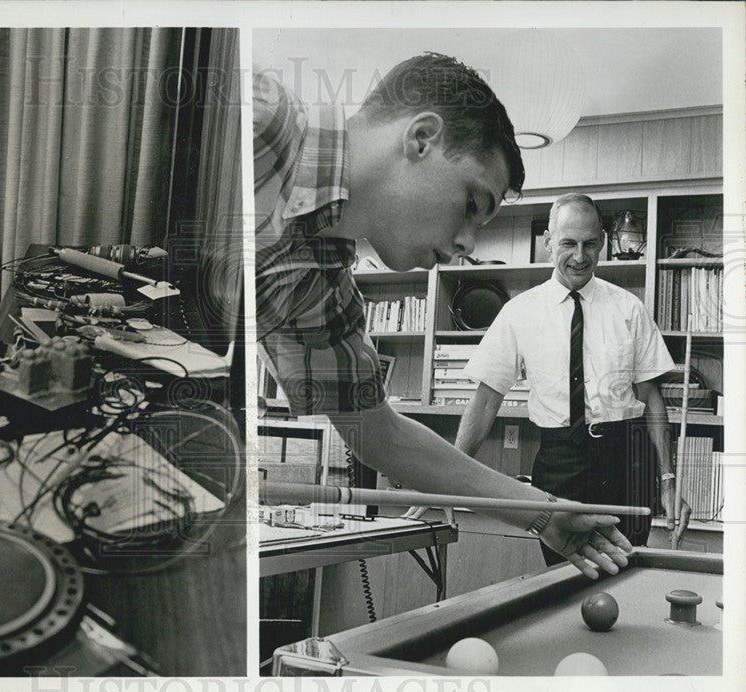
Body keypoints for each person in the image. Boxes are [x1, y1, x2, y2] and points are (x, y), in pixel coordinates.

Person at [254, 53, 633, 579]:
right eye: (471, 203)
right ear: (421, 139)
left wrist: (542, 513)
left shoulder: (320, 286)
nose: (466, 245)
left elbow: (377, 432)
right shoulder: (261, 114)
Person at [452, 193, 691, 564]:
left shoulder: (629, 308)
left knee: (626, 575)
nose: (580, 256)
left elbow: (652, 398)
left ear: (603, 244)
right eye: (568, 243)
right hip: (560, 465)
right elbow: (485, 400)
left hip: (628, 461)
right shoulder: (520, 312)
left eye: (590, 244)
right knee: (564, 582)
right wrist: (449, 479)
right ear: (548, 242)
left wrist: (667, 480)